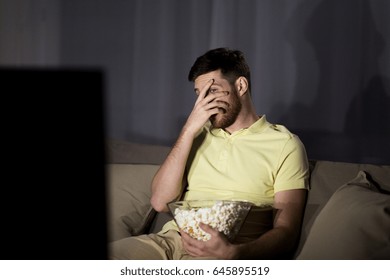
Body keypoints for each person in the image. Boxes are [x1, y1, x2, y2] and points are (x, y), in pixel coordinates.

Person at [109, 47, 310, 260]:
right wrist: (188, 129)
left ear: (240, 86)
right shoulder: (195, 136)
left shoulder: (284, 144)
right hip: (173, 241)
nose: (204, 103)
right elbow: (160, 201)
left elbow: (287, 232)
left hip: (228, 251)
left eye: (212, 91)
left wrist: (235, 253)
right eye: (199, 94)